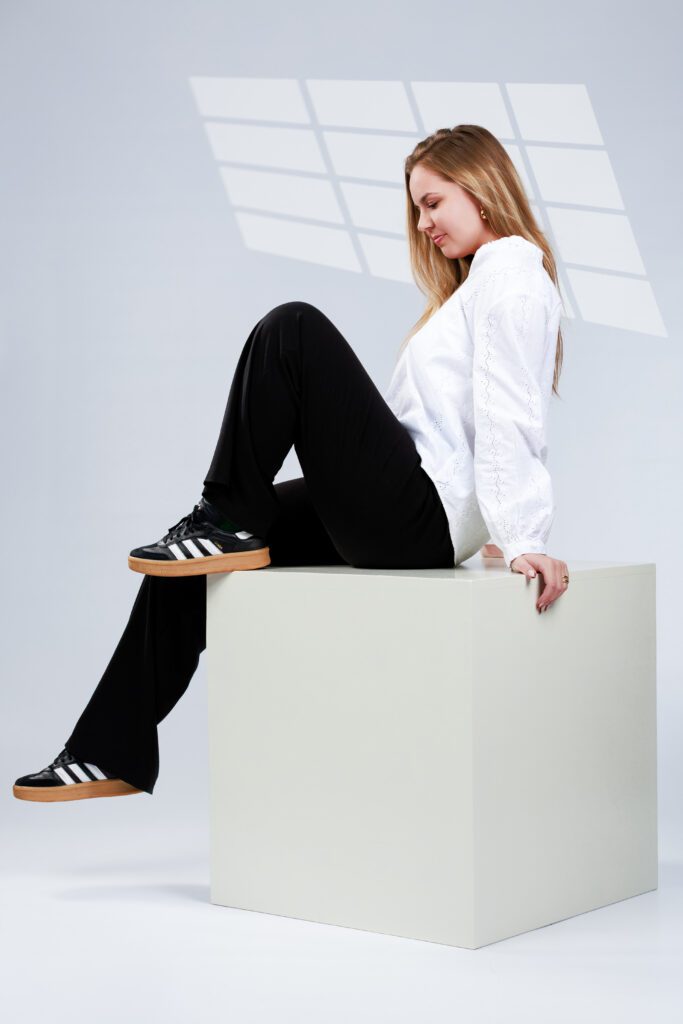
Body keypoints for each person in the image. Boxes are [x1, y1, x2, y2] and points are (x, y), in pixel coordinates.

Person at [13, 124, 570, 804]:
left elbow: (511, 410)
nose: (423, 223)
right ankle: (108, 749)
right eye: (416, 209)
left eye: (433, 203)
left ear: (481, 190)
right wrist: (491, 532)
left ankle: (224, 517)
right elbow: (463, 425)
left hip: (416, 518)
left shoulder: (512, 276)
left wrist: (521, 534)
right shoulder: (479, 286)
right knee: (183, 564)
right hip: (415, 513)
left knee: (293, 329)